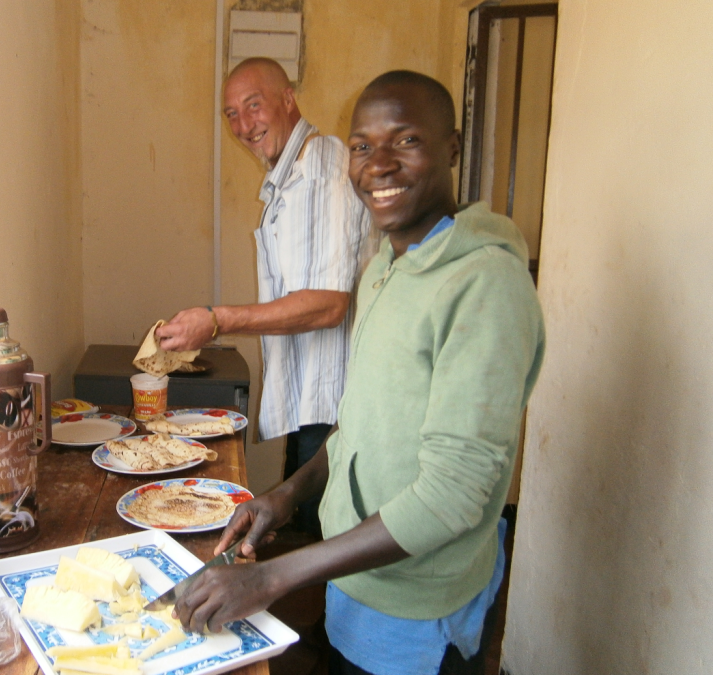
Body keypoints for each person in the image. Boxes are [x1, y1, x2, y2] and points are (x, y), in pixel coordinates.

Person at [170, 70, 546, 675]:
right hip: (357, 582)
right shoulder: (384, 269)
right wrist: (286, 498)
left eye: (407, 141)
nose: (380, 165)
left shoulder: (485, 288)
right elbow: (359, 429)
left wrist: (273, 577)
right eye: (364, 147)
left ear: (452, 147)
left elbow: (453, 496)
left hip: (417, 608)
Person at [156, 57, 369, 535]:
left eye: (254, 106)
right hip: (314, 401)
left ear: (288, 99)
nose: (243, 124)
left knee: (324, 542)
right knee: (306, 537)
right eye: (231, 113)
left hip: (336, 405)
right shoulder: (289, 177)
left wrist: (216, 320)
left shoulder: (319, 170)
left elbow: (330, 303)